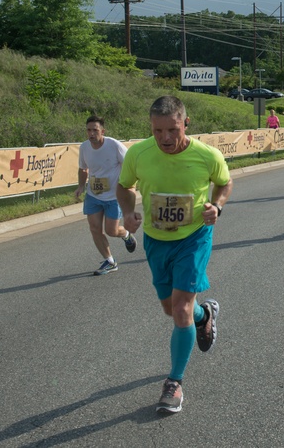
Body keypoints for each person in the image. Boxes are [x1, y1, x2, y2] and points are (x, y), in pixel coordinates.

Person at [116, 96, 233, 414]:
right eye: (157, 131)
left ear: (186, 124)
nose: (165, 138)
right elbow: (124, 187)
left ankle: (174, 383)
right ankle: (204, 315)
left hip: (194, 238)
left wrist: (217, 206)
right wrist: (129, 212)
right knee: (173, 310)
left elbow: (224, 183)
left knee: (180, 308)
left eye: (172, 129)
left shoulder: (206, 155)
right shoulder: (138, 154)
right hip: (156, 240)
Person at [75, 115, 135, 275]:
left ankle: (126, 234)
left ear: (102, 131)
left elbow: (129, 165)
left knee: (111, 230)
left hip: (114, 196)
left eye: (95, 130)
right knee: (94, 228)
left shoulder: (114, 145)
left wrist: (129, 186)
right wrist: (81, 187)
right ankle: (110, 261)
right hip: (93, 195)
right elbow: (83, 168)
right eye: (88, 130)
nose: (91, 133)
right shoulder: (84, 147)